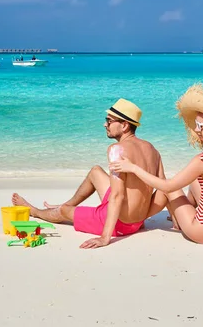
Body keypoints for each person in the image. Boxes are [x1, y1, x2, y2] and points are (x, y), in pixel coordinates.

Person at [109, 83, 203, 245]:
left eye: (200, 126)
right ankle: (185, 211)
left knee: (173, 189)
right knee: (195, 179)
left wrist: (133, 168)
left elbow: (167, 187)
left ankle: (179, 219)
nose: (197, 130)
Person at [12, 98, 166, 249]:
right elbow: (164, 189)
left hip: (120, 224)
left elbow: (117, 196)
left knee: (64, 212)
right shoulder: (152, 150)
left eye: (109, 121)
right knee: (95, 171)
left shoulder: (116, 150)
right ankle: (69, 203)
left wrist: (105, 237)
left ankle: (36, 212)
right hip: (137, 221)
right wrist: (145, 214)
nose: (105, 124)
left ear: (125, 125)